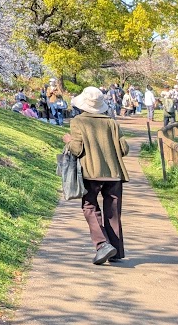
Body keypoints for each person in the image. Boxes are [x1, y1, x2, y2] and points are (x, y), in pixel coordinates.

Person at [64, 86, 129, 265]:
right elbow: (124, 149)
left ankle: (102, 245)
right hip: (114, 173)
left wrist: (68, 142)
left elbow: (77, 149)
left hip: (90, 173)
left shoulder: (78, 121)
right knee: (113, 211)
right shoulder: (112, 122)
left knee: (90, 207)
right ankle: (115, 251)